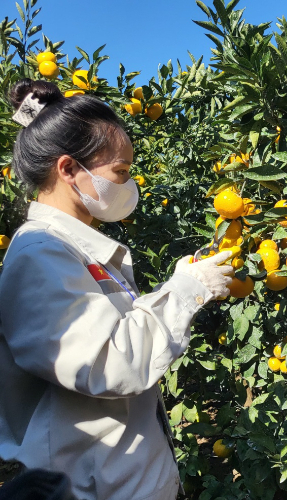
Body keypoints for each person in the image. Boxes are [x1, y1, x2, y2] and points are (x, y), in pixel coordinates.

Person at [0, 79, 234, 500]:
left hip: (129, 479)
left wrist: (178, 284)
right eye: (121, 172)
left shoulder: (75, 248)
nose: (129, 185)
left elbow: (118, 328)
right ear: (69, 169)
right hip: (93, 488)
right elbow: (106, 362)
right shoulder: (39, 253)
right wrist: (185, 292)